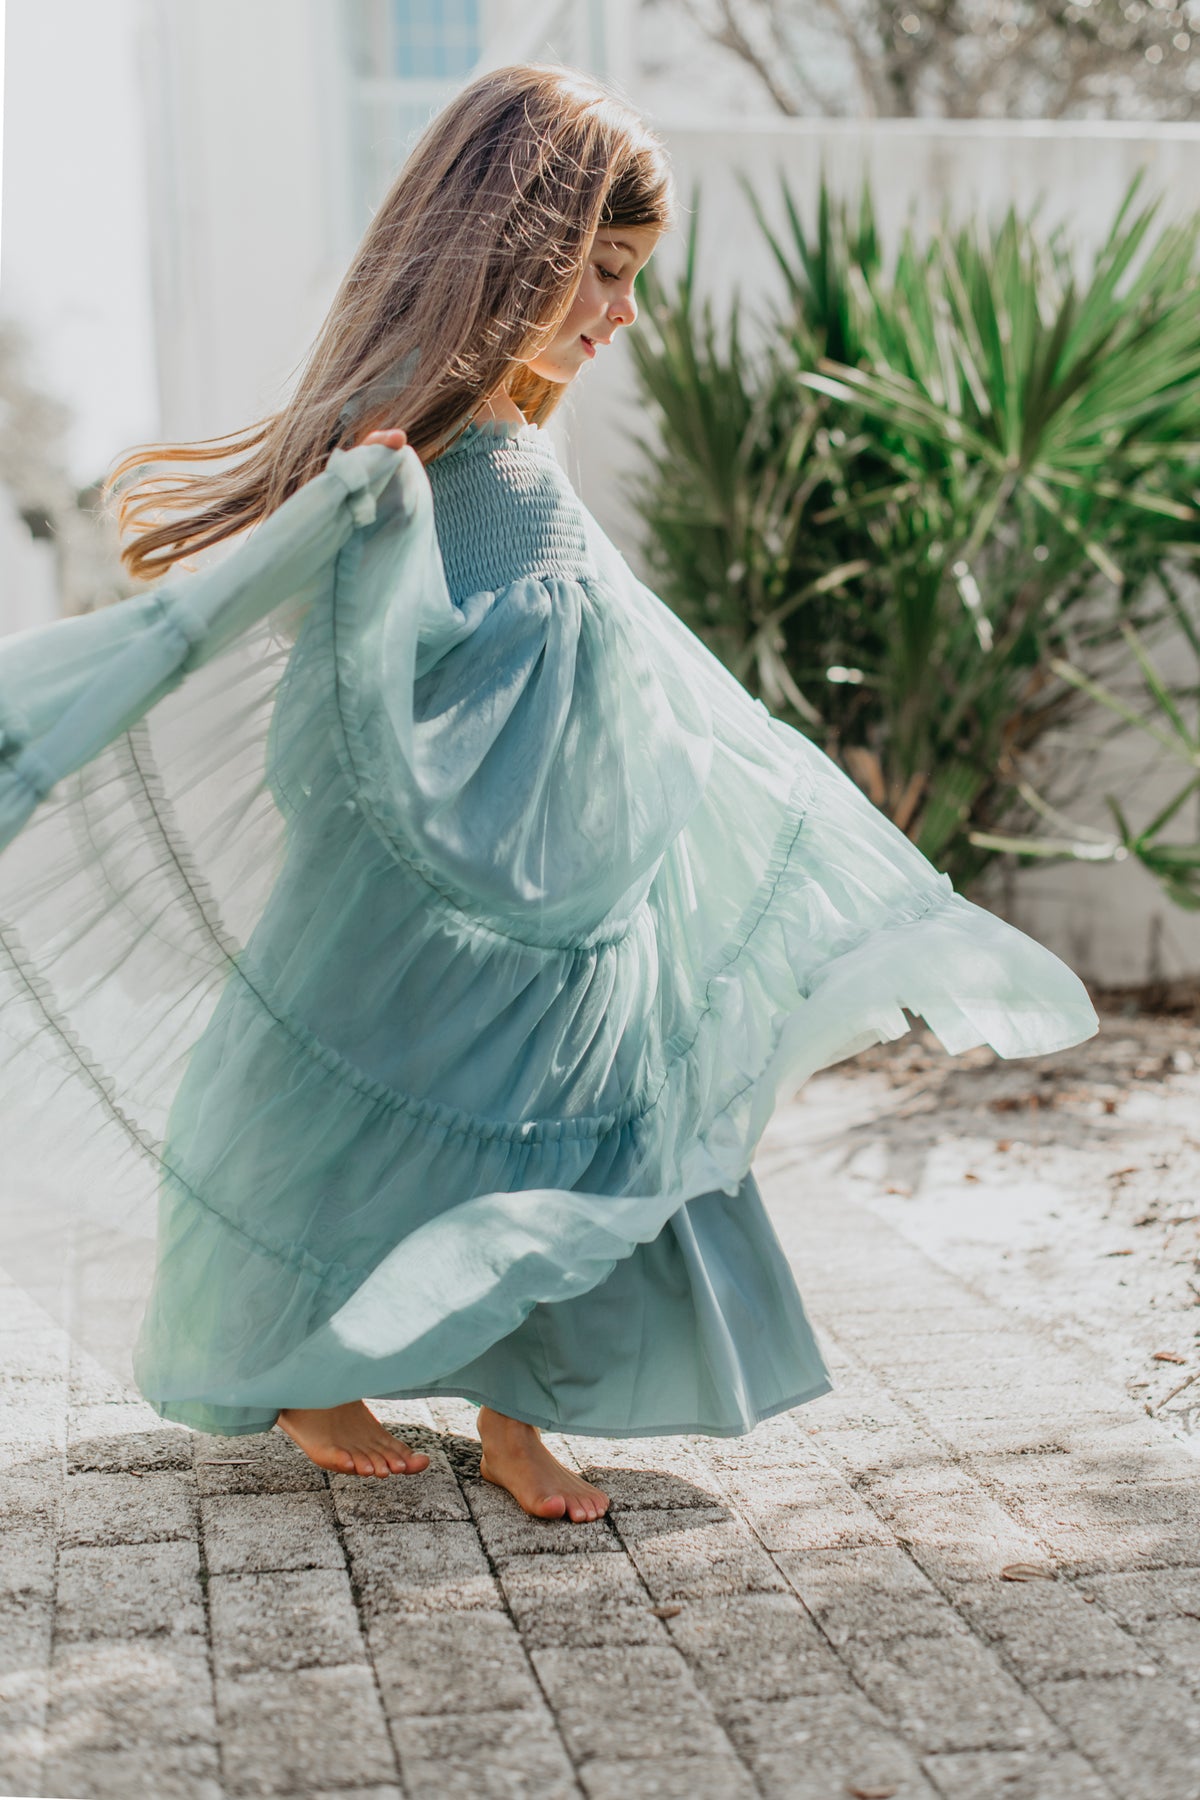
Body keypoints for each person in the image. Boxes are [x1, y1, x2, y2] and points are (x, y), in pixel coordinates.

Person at [0, 63, 1097, 1524]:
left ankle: (520, 1415)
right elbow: (355, 643)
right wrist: (382, 534)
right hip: (452, 855)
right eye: (605, 272)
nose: (622, 315)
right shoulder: (414, 434)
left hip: (578, 849)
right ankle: (321, 1373)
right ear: (514, 248)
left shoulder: (512, 419)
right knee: (395, 1101)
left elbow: (607, 643)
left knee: (601, 1106)